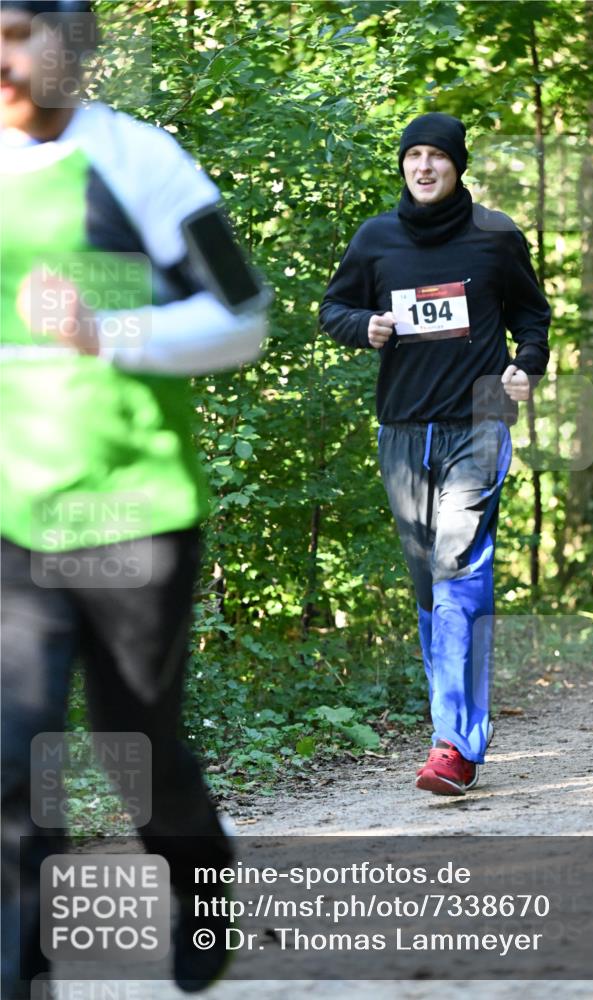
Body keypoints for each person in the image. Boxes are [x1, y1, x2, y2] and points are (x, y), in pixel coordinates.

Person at [0, 2, 267, 996]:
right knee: (13, 750)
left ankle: (201, 885)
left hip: (128, 508)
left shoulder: (144, 164)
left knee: (131, 738)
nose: (5, 53)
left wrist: (112, 332)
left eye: (24, 29)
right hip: (8, 512)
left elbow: (241, 317)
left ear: (79, 45)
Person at [320, 112, 550, 797]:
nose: (423, 167)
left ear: (457, 166)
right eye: (412, 156)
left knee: (458, 565)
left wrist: (526, 363)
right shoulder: (376, 239)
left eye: (436, 157)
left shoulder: (494, 236)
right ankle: (448, 728)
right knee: (428, 582)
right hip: (401, 427)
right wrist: (365, 325)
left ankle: (453, 743)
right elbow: (331, 308)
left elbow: (531, 314)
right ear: (402, 165)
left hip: (478, 419)